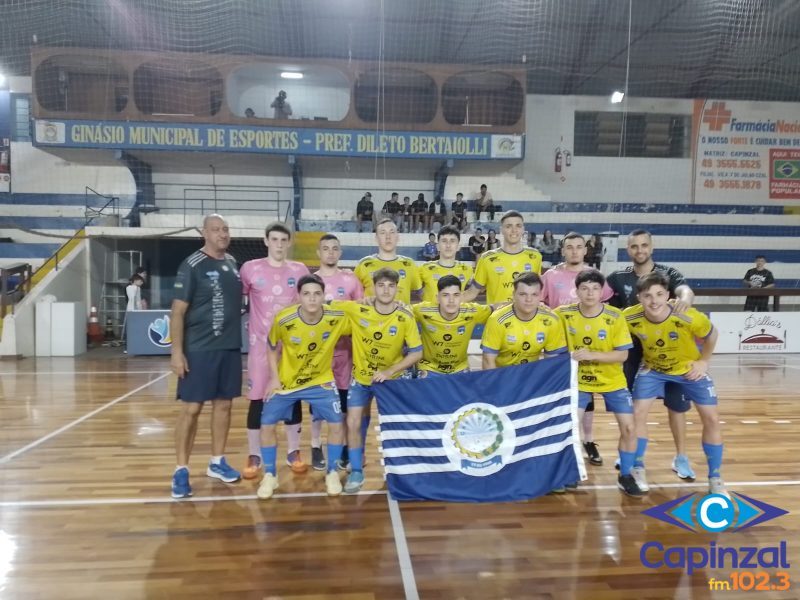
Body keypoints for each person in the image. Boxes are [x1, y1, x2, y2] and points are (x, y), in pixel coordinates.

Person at [624, 271, 727, 497]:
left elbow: (712, 334)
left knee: (711, 418)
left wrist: (703, 362)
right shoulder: (629, 317)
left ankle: (715, 478)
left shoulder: (686, 314)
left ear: (668, 295)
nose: (654, 301)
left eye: (659, 294)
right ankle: (638, 467)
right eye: (647, 295)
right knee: (638, 413)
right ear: (639, 298)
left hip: (688, 369)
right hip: (653, 370)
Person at [607, 229, 696, 481]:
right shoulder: (616, 278)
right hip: (632, 354)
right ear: (628, 250)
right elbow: (607, 312)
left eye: (644, 245)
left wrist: (685, 301)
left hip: (669, 353)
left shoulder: (668, 274)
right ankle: (632, 452)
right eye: (634, 246)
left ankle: (681, 457)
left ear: (651, 247)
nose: (639, 250)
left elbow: (685, 291)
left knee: (677, 407)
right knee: (634, 408)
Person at [257, 274, 350, 499]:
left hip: (321, 381)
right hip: (287, 382)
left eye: (317, 294)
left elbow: (362, 316)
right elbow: (271, 346)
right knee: (267, 424)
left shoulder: (336, 317)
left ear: (323, 296)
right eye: (306, 294)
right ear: (298, 296)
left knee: (337, 424)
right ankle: (270, 475)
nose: (312, 299)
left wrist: (367, 302)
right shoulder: (284, 318)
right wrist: (273, 378)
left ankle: (331, 473)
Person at [170, 214, 242, 499]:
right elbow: (177, 311)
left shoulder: (232, 263)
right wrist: (177, 353)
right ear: (204, 233)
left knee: (223, 406)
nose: (222, 234)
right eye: (216, 229)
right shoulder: (192, 265)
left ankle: (217, 462)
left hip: (229, 348)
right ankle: (181, 470)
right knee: (192, 409)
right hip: (199, 349)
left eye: (225, 229)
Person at [334, 268, 423, 493]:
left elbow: (416, 353)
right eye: (381, 285)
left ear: (397, 289)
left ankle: (401, 470)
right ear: (373, 287)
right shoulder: (358, 308)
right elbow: (326, 305)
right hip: (362, 379)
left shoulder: (405, 316)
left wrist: (391, 370)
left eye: (390, 286)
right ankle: (356, 471)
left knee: (395, 426)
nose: (386, 290)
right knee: (353, 422)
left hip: (391, 383)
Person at [556, 270, 643, 497]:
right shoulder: (564, 314)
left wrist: (590, 355)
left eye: (595, 288)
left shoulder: (615, 316)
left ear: (602, 291)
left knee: (629, 427)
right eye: (584, 288)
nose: (590, 293)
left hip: (612, 381)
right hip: (579, 382)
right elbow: (541, 317)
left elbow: (622, 356)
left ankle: (625, 475)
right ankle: (570, 471)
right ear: (576, 291)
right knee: (570, 427)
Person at [239, 222, 311, 480]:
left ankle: (294, 451)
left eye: (284, 240)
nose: (279, 244)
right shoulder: (250, 269)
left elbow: (312, 297)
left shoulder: (299, 269)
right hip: (260, 348)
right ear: (266, 241)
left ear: (289, 243)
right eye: (275, 239)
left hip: (291, 349)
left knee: (292, 397)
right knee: (258, 399)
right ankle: (254, 453)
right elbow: (238, 298)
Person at [541, 232, 613, 466]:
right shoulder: (551, 276)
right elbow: (539, 303)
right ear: (562, 250)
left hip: (587, 347)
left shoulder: (596, 276)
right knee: (560, 396)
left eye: (578, 247)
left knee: (587, 395)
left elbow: (606, 308)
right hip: (558, 346)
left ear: (585, 250)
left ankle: (588, 440)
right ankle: (561, 441)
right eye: (569, 247)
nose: (574, 251)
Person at [316, 234, 365, 471]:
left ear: (340, 252)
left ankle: (345, 448)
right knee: (319, 406)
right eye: (326, 249)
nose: (330, 253)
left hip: (346, 353)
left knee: (344, 406)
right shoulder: (311, 281)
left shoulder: (350, 279)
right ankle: (317, 447)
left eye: (335, 249)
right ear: (319, 253)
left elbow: (362, 313)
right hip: (319, 353)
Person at [413, 274, 493, 376]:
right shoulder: (422, 310)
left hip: (459, 368)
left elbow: (496, 308)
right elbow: (399, 312)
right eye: (445, 295)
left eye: (456, 295)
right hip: (429, 368)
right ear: (438, 298)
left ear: (461, 297)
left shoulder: (473, 311)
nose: (451, 300)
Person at [463, 211, 542, 304]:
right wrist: (445, 302)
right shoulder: (487, 258)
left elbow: (538, 292)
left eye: (518, 226)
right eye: (509, 226)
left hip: (527, 317)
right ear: (501, 230)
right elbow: (471, 293)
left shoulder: (535, 256)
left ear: (523, 229)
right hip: (497, 317)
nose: (514, 230)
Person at [354, 218, 422, 304]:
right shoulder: (364, 265)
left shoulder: (409, 264)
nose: (388, 237)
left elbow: (418, 296)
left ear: (397, 237)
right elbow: (353, 296)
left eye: (392, 232)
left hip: (399, 316)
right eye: (383, 233)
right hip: (371, 317)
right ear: (376, 238)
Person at [418, 225, 474, 303]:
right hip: (430, 315)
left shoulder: (467, 269)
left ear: (458, 246)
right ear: (437, 246)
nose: (448, 245)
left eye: (452, 241)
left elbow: (476, 290)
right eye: (444, 241)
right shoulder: (424, 268)